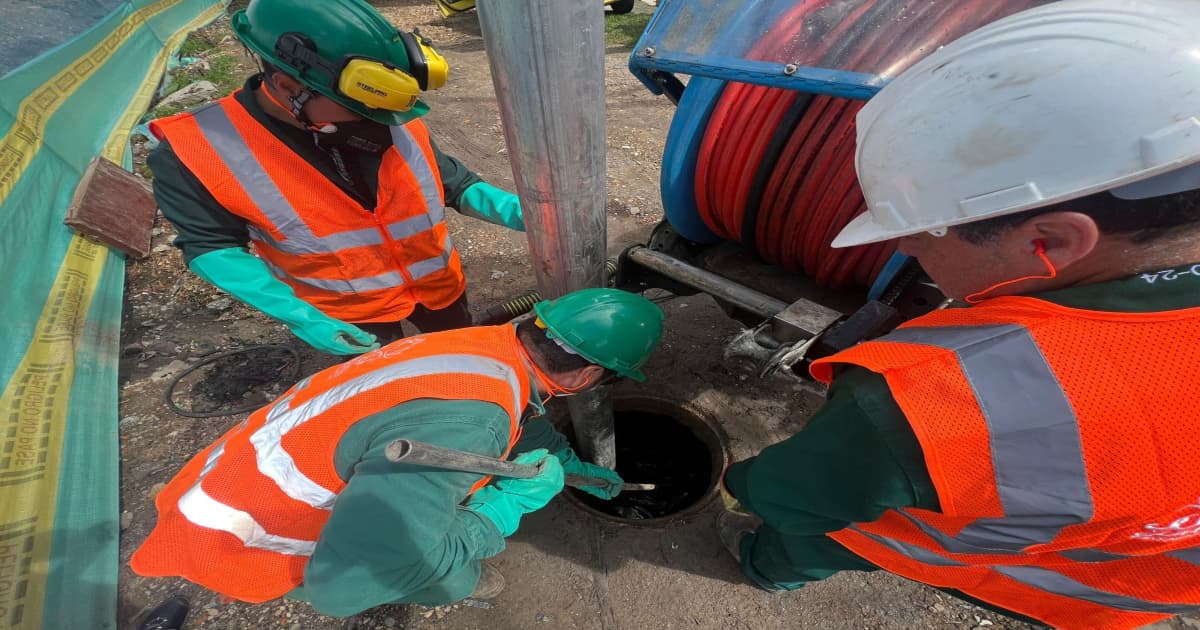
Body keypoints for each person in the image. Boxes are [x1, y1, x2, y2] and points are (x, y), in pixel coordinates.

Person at [716, 1, 1200, 628]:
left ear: (1049, 241)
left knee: (816, 539)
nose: (903, 247)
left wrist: (743, 487)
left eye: (924, 230)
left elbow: (804, 492)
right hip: (1138, 583)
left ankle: (764, 567)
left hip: (1025, 575)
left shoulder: (940, 394)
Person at [130, 288, 664, 615]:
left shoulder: (480, 348)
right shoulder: (471, 423)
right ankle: (459, 585)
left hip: (218, 479)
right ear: (592, 375)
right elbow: (344, 588)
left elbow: (518, 415)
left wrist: (571, 464)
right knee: (448, 570)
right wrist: (503, 509)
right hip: (243, 542)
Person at [147, 0, 527, 356]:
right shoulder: (196, 149)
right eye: (357, 109)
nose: (377, 122)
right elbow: (212, 247)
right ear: (287, 86)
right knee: (390, 388)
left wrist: (524, 214)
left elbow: (453, 184)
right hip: (350, 311)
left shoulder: (386, 111)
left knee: (462, 358)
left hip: (439, 290)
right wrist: (304, 319)